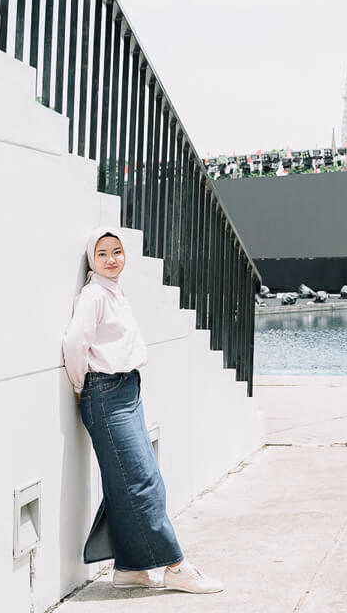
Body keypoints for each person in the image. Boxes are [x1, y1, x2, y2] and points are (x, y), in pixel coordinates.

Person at [62, 230, 224, 594]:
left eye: (117, 251)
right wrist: (79, 385)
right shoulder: (93, 295)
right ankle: (175, 566)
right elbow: (73, 342)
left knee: (126, 480)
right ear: (92, 260)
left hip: (127, 389)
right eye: (102, 253)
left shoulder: (114, 292)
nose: (111, 259)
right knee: (142, 480)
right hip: (104, 392)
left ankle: (130, 568)